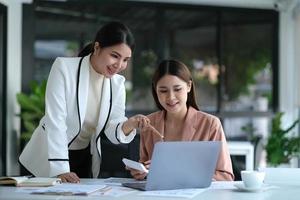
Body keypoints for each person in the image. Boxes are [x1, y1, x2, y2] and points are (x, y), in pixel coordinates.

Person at [19, 21, 151, 183]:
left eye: (125, 59)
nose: (119, 65)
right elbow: (56, 121)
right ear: (97, 48)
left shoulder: (117, 84)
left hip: (84, 156)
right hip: (48, 158)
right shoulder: (64, 68)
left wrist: (130, 124)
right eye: (115, 56)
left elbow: (112, 127)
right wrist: (60, 170)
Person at [128, 59, 234, 181]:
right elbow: (146, 168)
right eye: (163, 91)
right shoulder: (149, 123)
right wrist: (141, 173)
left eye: (177, 89)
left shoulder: (210, 124)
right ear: (155, 90)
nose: (171, 97)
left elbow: (225, 176)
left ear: (189, 86)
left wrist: (183, 173)